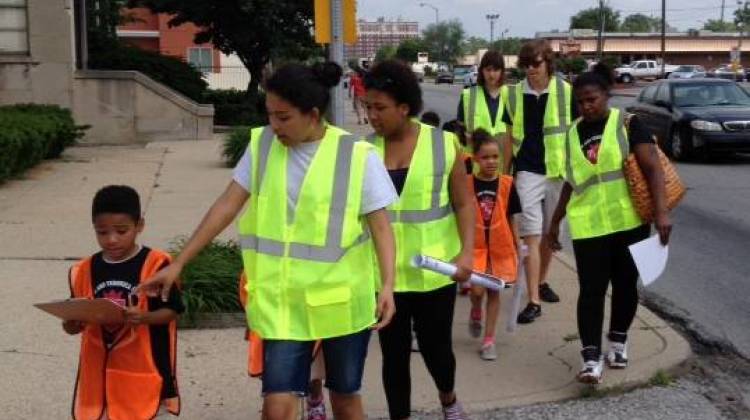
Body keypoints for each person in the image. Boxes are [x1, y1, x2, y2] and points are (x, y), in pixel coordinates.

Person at [137, 62, 398, 420]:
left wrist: (387, 285)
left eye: (284, 117)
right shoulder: (261, 145)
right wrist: (180, 262)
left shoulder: (357, 155)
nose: (274, 126)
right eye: (270, 115)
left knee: (345, 398)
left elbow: (381, 227)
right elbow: (227, 205)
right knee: (277, 405)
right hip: (283, 305)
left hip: (341, 303)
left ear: (313, 115)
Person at [547, 63, 672, 384]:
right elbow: (570, 182)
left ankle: (618, 340)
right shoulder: (573, 133)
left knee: (625, 286)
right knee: (590, 291)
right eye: (580, 101)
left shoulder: (628, 123)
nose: (586, 106)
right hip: (589, 226)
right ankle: (590, 358)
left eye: (592, 99)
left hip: (629, 222)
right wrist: (554, 223)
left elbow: (653, 169)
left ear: (607, 95)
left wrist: (661, 213)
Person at [364, 59, 474, 420]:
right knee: (393, 356)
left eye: (379, 108)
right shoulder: (364, 152)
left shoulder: (444, 145)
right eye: (368, 107)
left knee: (436, 349)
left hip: (433, 272)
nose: (372, 116)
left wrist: (467, 253)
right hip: (385, 277)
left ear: (404, 108)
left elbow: (463, 202)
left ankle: (448, 396)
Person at [63, 185, 183, 420]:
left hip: (147, 373)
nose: (112, 239)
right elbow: (72, 324)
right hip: (99, 381)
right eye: (103, 232)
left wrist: (144, 318)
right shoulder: (84, 269)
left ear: (139, 226)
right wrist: (71, 324)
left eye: (121, 230)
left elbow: (172, 311)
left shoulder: (157, 264)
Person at [503, 40, 578, 324]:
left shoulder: (565, 92)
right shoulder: (514, 95)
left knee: (550, 234)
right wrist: (505, 172)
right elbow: (510, 136)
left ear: (548, 62)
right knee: (530, 235)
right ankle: (533, 299)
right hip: (528, 171)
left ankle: (542, 280)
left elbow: (576, 133)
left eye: (536, 64)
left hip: (558, 172)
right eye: (526, 65)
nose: (531, 70)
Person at [238, 273, 328, 420]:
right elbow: (248, 284)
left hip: (311, 304)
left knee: (313, 370)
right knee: (276, 383)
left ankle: (315, 399)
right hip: (274, 311)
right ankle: (274, 403)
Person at [465, 129, 521, 361]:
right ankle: (476, 308)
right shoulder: (467, 184)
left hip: (500, 249)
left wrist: (518, 246)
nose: (491, 162)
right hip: (475, 248)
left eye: (496, 157)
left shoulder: (507, 184)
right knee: (477, 291)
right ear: (476, 158)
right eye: (486, 157)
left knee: (494, 293)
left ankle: (489, 341)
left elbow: (511, 218)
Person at [457, 50, 513, 174]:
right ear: (482, 71)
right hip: (474, 168)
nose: (491, 74)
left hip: (503, 168)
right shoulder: (468, 95)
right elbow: (459, 132)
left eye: (496, 70)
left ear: (502, 71)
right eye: (488, 70)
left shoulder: (512, 96)